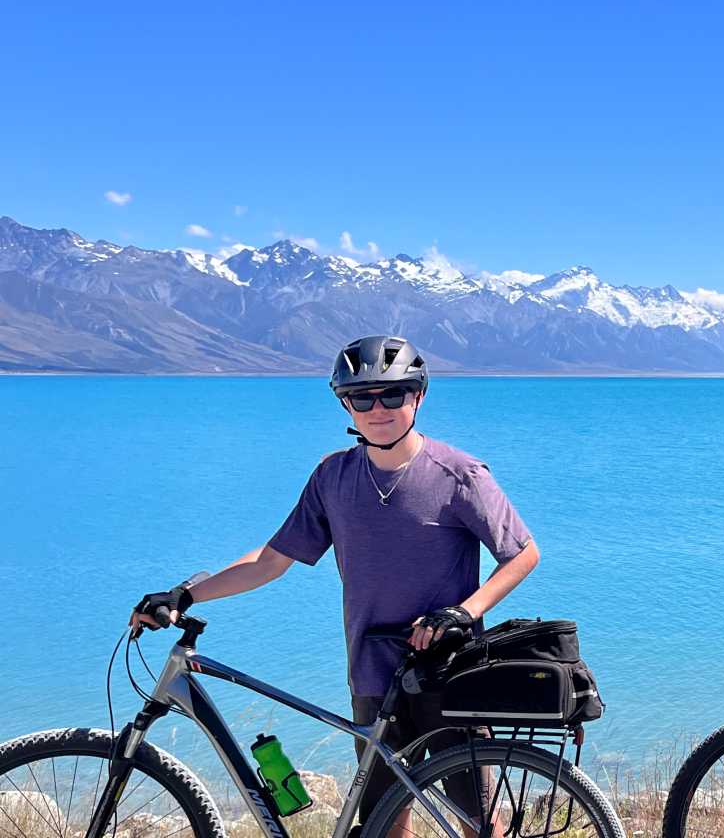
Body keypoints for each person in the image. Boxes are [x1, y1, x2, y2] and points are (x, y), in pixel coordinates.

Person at [129, 334, 541, 837]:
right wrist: (187, 594)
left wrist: (464, 612)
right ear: (345, 403)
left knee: (478, 820)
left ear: (419, 396)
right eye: (362, 397)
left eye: (393, 394)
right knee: (384, 819)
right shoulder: (333, 477)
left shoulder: (459, 475)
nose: (378, 409)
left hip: (447, 670)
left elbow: (522, 553)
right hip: (371, 670)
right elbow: (270, 559)